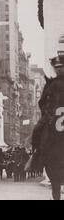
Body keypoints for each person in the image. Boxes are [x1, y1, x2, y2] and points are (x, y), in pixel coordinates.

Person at [32, 53, 64, 200]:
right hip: (52, 116)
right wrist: (46, 112)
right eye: (57, 68)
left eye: (61, 67)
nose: (59, 70)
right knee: (37, 129)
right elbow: (41, 102)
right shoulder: (50, 84)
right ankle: (37, 156)